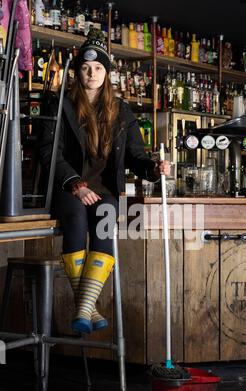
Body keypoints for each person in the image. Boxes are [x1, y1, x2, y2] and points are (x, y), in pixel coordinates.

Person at [38, 30, 170, 334]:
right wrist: (76, 184)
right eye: (85, 68)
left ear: (107, 73)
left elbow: (136, 155)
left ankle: (83, 307)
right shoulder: (60, 105)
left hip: (105, 189)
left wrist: (154, 168)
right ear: (77, 72)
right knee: (73, 217)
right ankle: (87, 307)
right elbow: (49, 151)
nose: (91, 73)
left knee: (104, 218)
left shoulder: (121, 111)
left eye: (98, 68)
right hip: (68, 186)